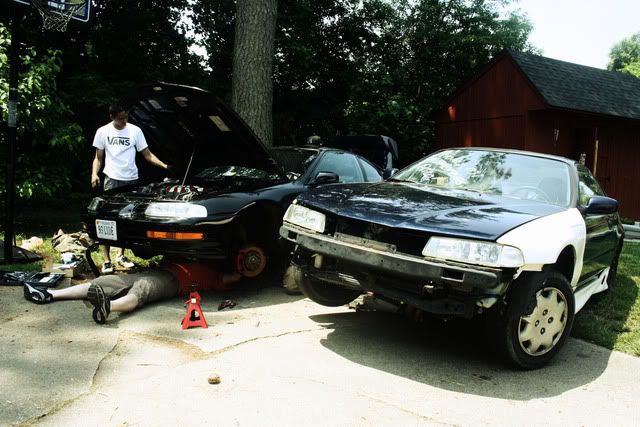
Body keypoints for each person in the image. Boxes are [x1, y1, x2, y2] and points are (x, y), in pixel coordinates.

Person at [23, 259, 242, 324]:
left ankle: (108, 307)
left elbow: (237, 276)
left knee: (142, 290)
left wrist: (244, 264)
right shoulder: (191, 252)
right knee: (105, 282)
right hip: (156, 270)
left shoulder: (215, 277)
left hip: (174, 282)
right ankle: (49, 294)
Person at [91, 104, 170, 274]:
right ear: (112, 116)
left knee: (126, 218)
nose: (124, 121)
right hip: (112, 178)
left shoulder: (135, 131)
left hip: (131, 179)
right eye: (121, 118)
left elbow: (147, 154)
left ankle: (121, 255)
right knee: (106, 218)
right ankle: (107, 260)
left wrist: (164, 165)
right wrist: (94, 174)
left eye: (126, 117)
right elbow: (98, 158)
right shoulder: (103, 132)